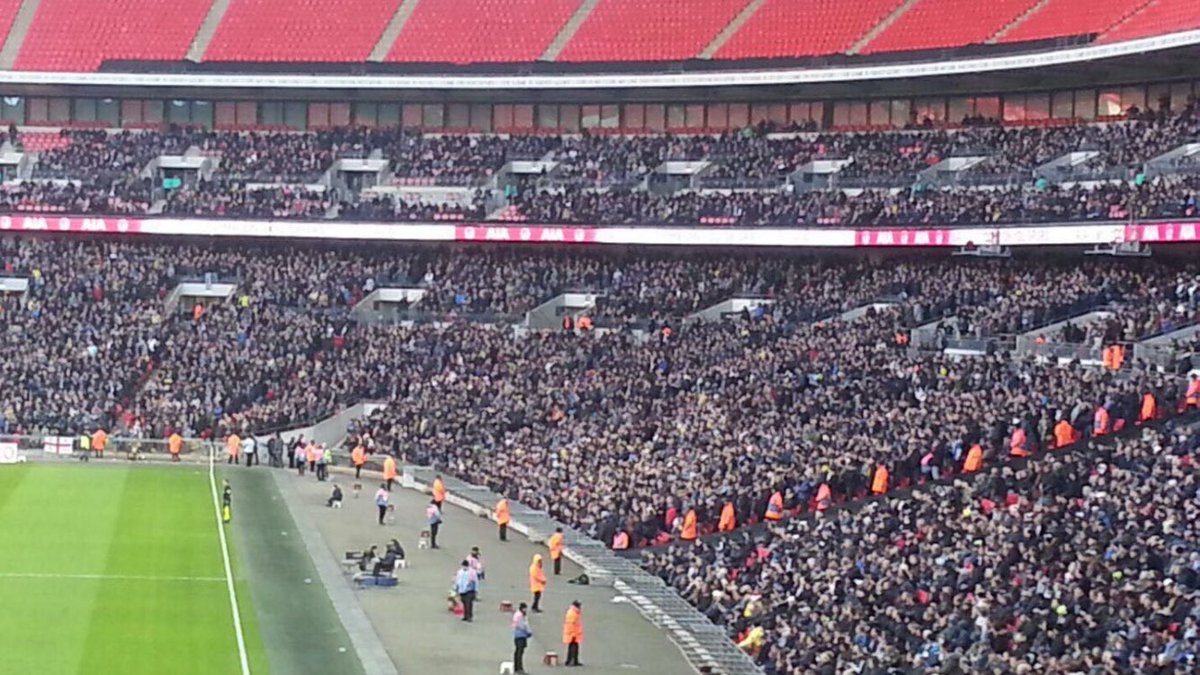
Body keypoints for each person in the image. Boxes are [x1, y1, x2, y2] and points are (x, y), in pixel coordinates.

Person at [512, 602, 532, 673]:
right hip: (520, 635)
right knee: (519, 652)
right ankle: (519, 668)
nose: (526, 610)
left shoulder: (519, 614)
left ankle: (517, 667)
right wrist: (528, 632)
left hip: (519, 635)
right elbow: (522, 625)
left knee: (518, 652)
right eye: (525, 608)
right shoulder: (520, 616)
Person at [563, 600, 583, 667]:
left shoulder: (574, 612)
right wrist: (573, 634)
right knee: (573, 648)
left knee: (574, 647)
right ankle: (571, 661)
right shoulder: (573, 613)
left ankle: (573, 661)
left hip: (574, 633)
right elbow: (571, 624)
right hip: (573, 634)